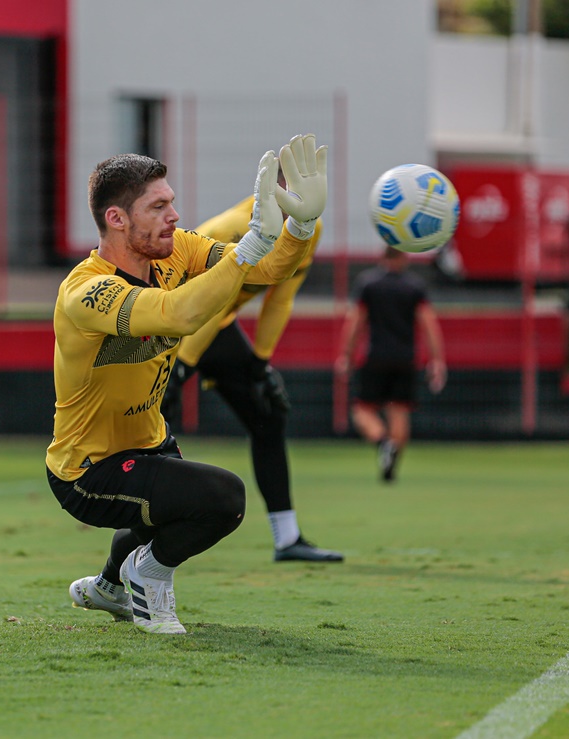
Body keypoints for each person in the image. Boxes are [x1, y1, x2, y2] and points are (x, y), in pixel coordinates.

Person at [49, 134, 328, 634]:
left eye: (172, 202)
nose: (174, 216)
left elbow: (266, 270)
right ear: (117, 219)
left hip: (151, 444)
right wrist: (244, 255)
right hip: (87, 470)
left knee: (165, 510)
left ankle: (110, 586)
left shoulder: (177, 252)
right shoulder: (86, 291)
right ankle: (148, 575)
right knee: (223, 499)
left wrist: (299, 227)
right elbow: (178, 315)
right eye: (158, 207)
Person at [159, 174, 342, 563]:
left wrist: (261, 362)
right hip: (172, 322)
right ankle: (140, 537)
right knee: (155, 425)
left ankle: (287, 538)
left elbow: (281, 298)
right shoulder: (230, 230)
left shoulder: (310, 229)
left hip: (218, 325)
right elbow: (199, 305)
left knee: (268, 414)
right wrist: (180, 368)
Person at [337, 246, 446, 482]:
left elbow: (355, 323)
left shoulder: (369, 284)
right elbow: (429, 325)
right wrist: (437, 360)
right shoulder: (414, 286)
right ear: (404, 257)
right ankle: (391, 463)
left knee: (362, 411)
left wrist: (346, 356)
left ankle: (382, 443)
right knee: (399, 411)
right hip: (406, 359)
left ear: (382, 256)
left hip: (376, 357)